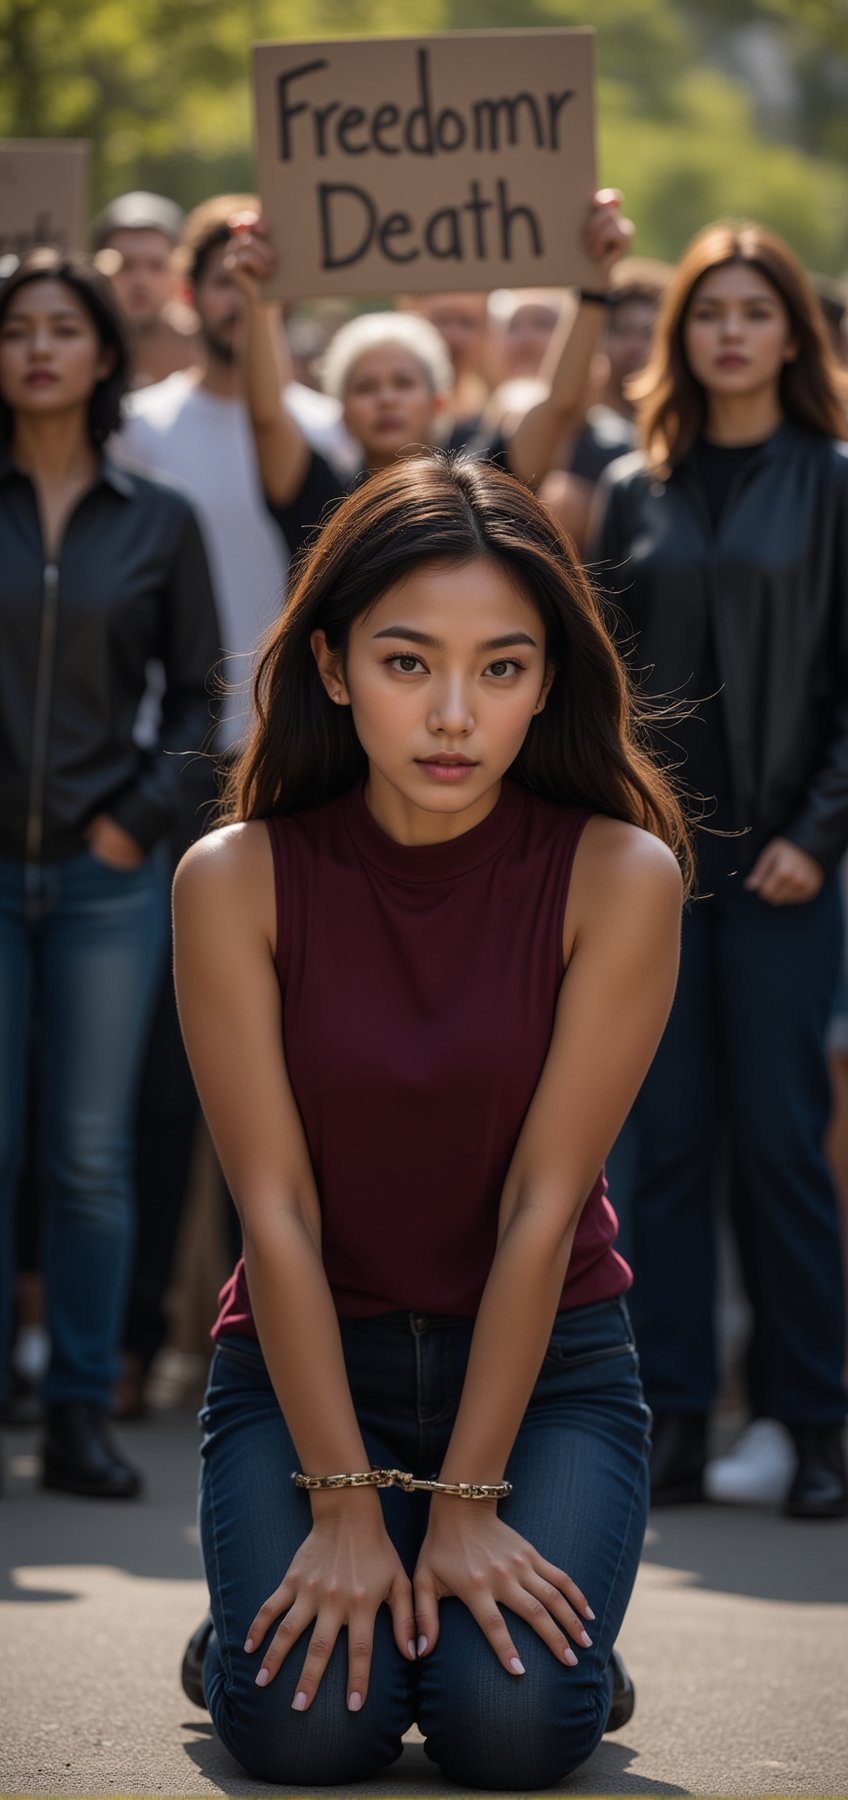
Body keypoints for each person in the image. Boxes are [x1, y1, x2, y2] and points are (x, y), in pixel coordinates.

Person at [171, 450, 686, 1789]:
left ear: (547, 682)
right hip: (305, 1362)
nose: (454, 713)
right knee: (302, 1731)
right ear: (334, 667)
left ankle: (557, 1622)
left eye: (501, 668)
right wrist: (344, 1511)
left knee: (511, 1729)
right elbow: (271, 1207)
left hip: (548, 1370)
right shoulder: (233, 880)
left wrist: (465, 1506)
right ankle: (245, 1621)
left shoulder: (620, 875)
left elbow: (542, 1205)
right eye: (409, 664)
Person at [591, 220, 848, 1517]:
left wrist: (820, 831)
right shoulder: (640, 483)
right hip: (659, 870)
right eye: (709, 311)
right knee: (669, 1145)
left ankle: (816, 1424)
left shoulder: (837, 474)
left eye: (756, 309)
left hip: (793, 867)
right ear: (682, 334)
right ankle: (676, 1419)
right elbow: (612, 681)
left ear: (794, 332)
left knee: (784, 1146)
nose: (731, 330)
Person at [0, 249, 219, 1496]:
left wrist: (136, 820)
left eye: (61, 329)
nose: (37, 347)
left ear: (100, 357)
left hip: (103, 880)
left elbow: (203, 698)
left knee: (86, 1154)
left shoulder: (159, 520)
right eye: (17, 326)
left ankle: (81, 1407)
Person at [229, 190, 634, 573]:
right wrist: (257, 299)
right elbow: (267, 416)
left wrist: (595, 285)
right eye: (366, 387)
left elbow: (558, 405)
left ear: (439, 401)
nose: (386, 398)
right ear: (343, 414)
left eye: (403, 383)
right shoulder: (317, 500)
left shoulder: (483, 487)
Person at [91, 191, 201, 388]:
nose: (140, 280)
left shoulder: (206, 349)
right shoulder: (74, 343)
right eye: (125, 265)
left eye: (156, 265)